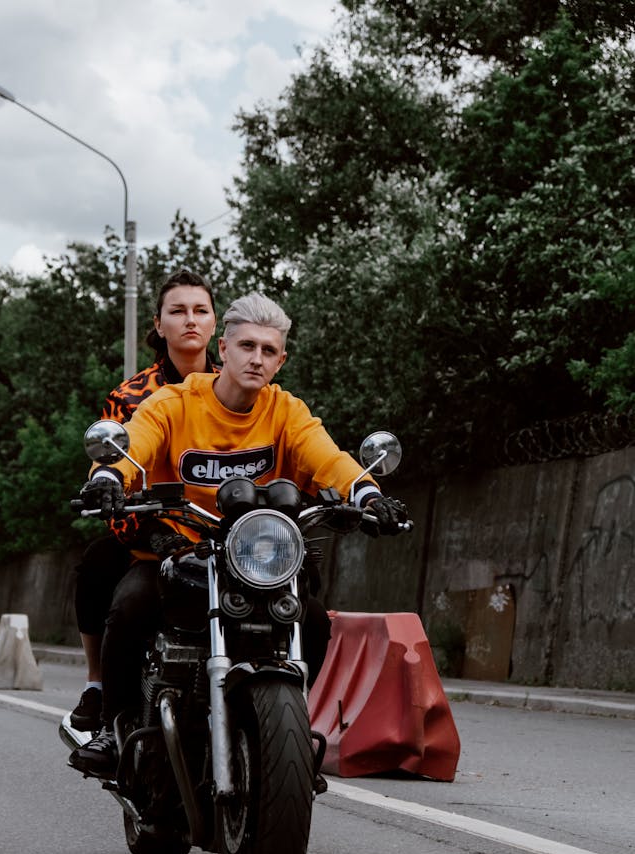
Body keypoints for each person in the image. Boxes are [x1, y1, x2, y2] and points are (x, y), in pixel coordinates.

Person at [69, 292, 409, 776]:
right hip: (179, 552)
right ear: (222, 350)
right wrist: (107, 478)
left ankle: (285, 731)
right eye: (247, 346)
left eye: (268, 351)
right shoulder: (173, 403)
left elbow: (326, 457)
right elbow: (136, 445)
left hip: (258, 558)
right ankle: (112, 727)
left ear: (281, 359)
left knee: (312, 620)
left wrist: (367, 494)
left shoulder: (286, 410)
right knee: (128, 608)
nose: (256, 358)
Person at [70, 268, 219, 731]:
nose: (190, 320)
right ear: (159, 325)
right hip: (151, 533)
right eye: (178, 311)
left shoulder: (241, 386)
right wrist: (153, 535)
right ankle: (102, 695)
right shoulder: (131, 396)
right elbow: (114, 468)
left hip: (228, 539)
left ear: (216, 324)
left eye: (201, 310)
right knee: (100, 570)